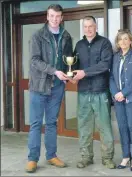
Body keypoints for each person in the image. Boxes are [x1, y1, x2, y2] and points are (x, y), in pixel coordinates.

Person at [26, 4, 73, 173]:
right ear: (47, 16)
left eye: (58, 16)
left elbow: (69, 59)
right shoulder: (38, 36)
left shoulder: (66, 36)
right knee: (36, 124)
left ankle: (51, 155)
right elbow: (34, 61)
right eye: (52, 16)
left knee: (52, 123)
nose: (55, 19)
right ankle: (32, 159)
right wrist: (54, 71)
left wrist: (70, 74)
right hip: (39, 86)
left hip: (58, 86)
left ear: (62, 18)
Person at [72, 16, 116, 169]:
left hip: (100, 92)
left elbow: (105, 65)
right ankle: (86, 157)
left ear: (96, 27)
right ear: (83, 28)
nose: (88, 29)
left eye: (91, 26)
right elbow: (74, 65)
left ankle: (107, 158)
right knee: (84, 127)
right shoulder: (79, 45)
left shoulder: (104, 43)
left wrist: (84, 72)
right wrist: (72, 77)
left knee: (105, 127)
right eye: (85, 26)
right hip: (83, 92)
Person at [109, 29, 132, 171]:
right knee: (122, 128)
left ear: (130, 40)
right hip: (118, 99)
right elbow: (111, 77)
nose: (123, 42)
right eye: (120, 39)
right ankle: (125, 157)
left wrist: (123, 93)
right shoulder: (115, 57)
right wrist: (115, 93)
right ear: (117, 42)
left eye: (126, 39)